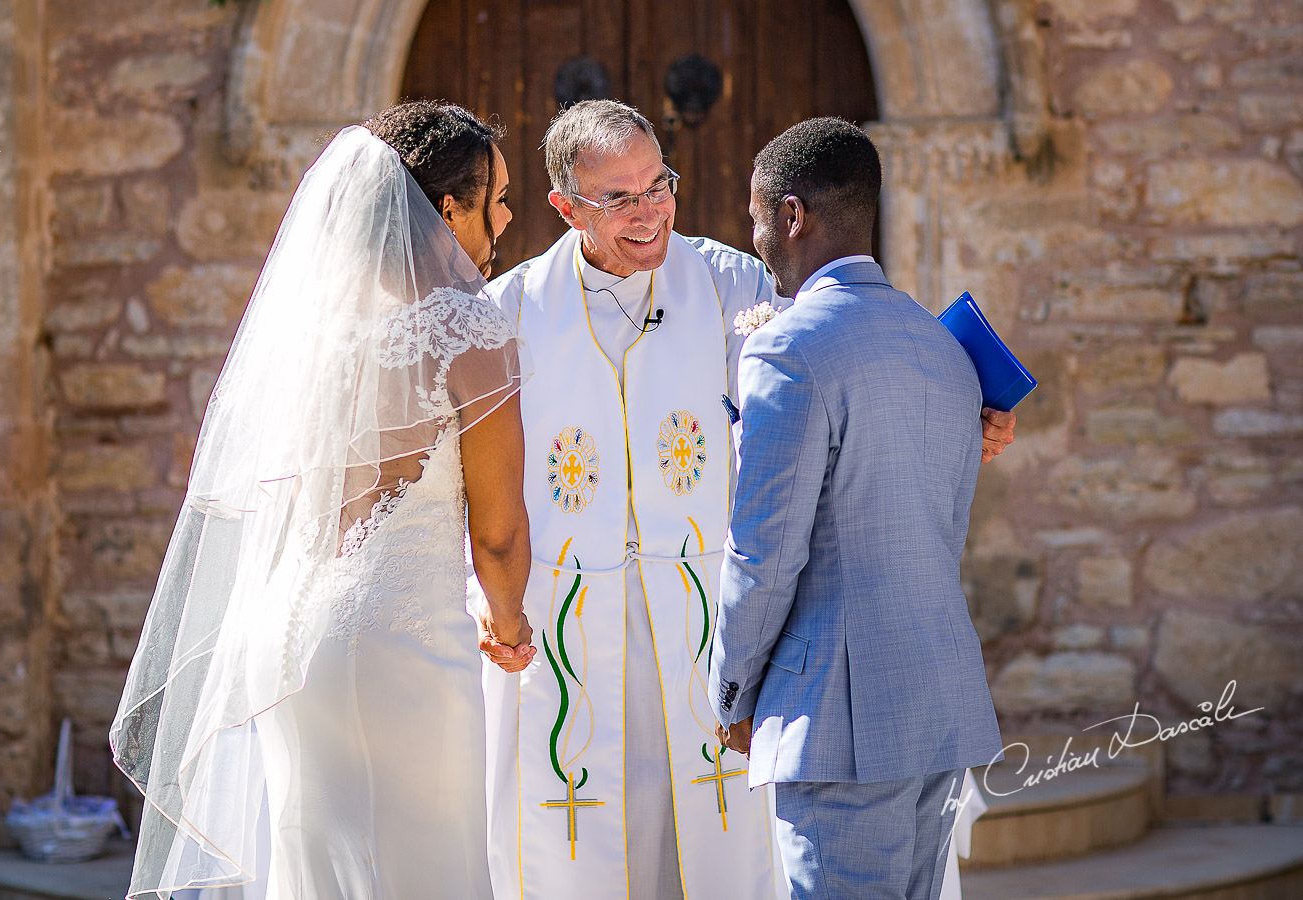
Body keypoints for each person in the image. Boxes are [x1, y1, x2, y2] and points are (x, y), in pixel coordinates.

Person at [475, 100, 1016, 899]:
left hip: (710, 626)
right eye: (617, 197)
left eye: (658, 184)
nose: (648, 211)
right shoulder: (511, 313)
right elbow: (476, 482)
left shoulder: (736, 285)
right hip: (576, 635)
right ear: (565, 206)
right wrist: (493, 598)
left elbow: (852, 372)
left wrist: (959, 408)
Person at [111, 101, 535, 900]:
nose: (507, 216)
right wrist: (509, 628)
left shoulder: (316, 336)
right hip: (397, 642)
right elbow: (501, 534)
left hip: (286, 640)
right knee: (426, 870)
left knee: (321, 875)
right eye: (498, 198)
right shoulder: (470, 331)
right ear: (448, 210)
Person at [708, 117, 1004, 900]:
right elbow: (944, 528)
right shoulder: (943, 348)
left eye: (756, 214)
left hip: (837, 720)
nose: (754, 235)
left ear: (793, 215)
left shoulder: (787, 348)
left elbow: (764, 551)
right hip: (938, 700)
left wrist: (732, 688)